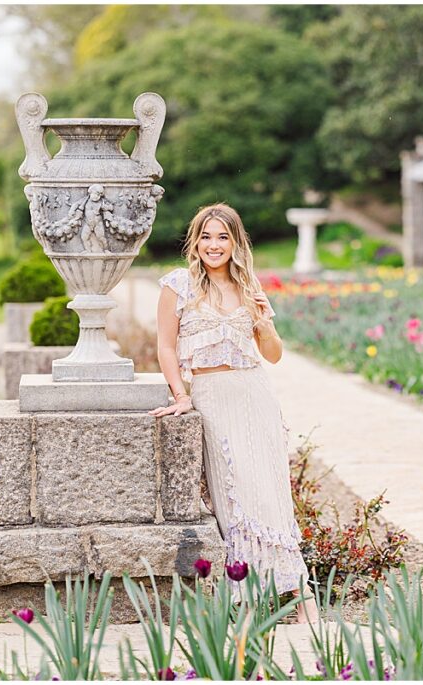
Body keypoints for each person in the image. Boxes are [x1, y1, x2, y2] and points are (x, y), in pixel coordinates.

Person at [148, 202, 318, 623]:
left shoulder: (248, 286)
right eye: (206, 236)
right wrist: (180, 394)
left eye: (223, 236)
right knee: (234, 490)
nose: (213, 244)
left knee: (272, 491)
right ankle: (245, 594)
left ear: (236, 242)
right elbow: (166, 346)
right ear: (196, 241)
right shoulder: (178, 285)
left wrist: (265, 321)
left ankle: (299, 593)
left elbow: (273, 356)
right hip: (212, 395)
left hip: (254, 393)